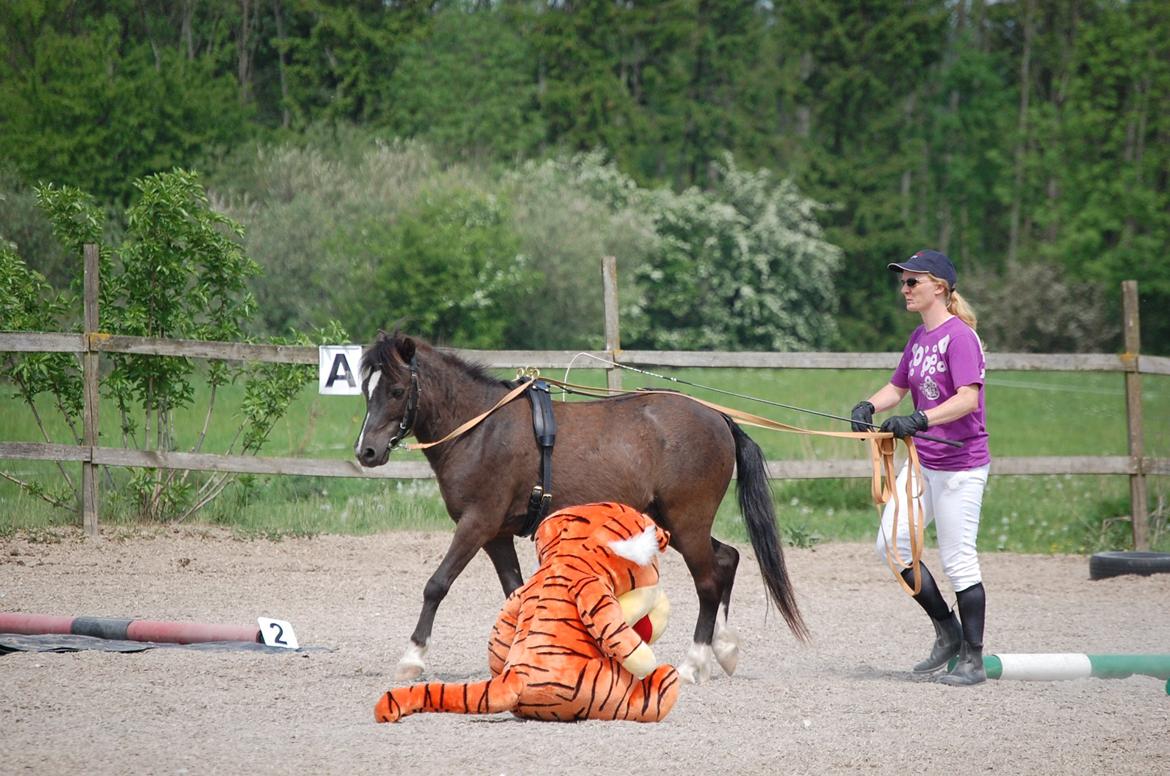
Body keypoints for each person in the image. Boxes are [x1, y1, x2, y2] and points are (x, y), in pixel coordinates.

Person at [849, 249, 991, 686]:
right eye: (904, 281)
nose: (905, 289)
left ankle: (974, 658)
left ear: (940, 288)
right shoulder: (919, 338)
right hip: (923, 462)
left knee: (958, 560)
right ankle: (947, 629)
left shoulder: (960, 337)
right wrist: (869, 404)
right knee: (892, 547)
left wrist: (920, 418)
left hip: (960, 466)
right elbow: (897, 388)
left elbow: (968, 398)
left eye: (913, 281)